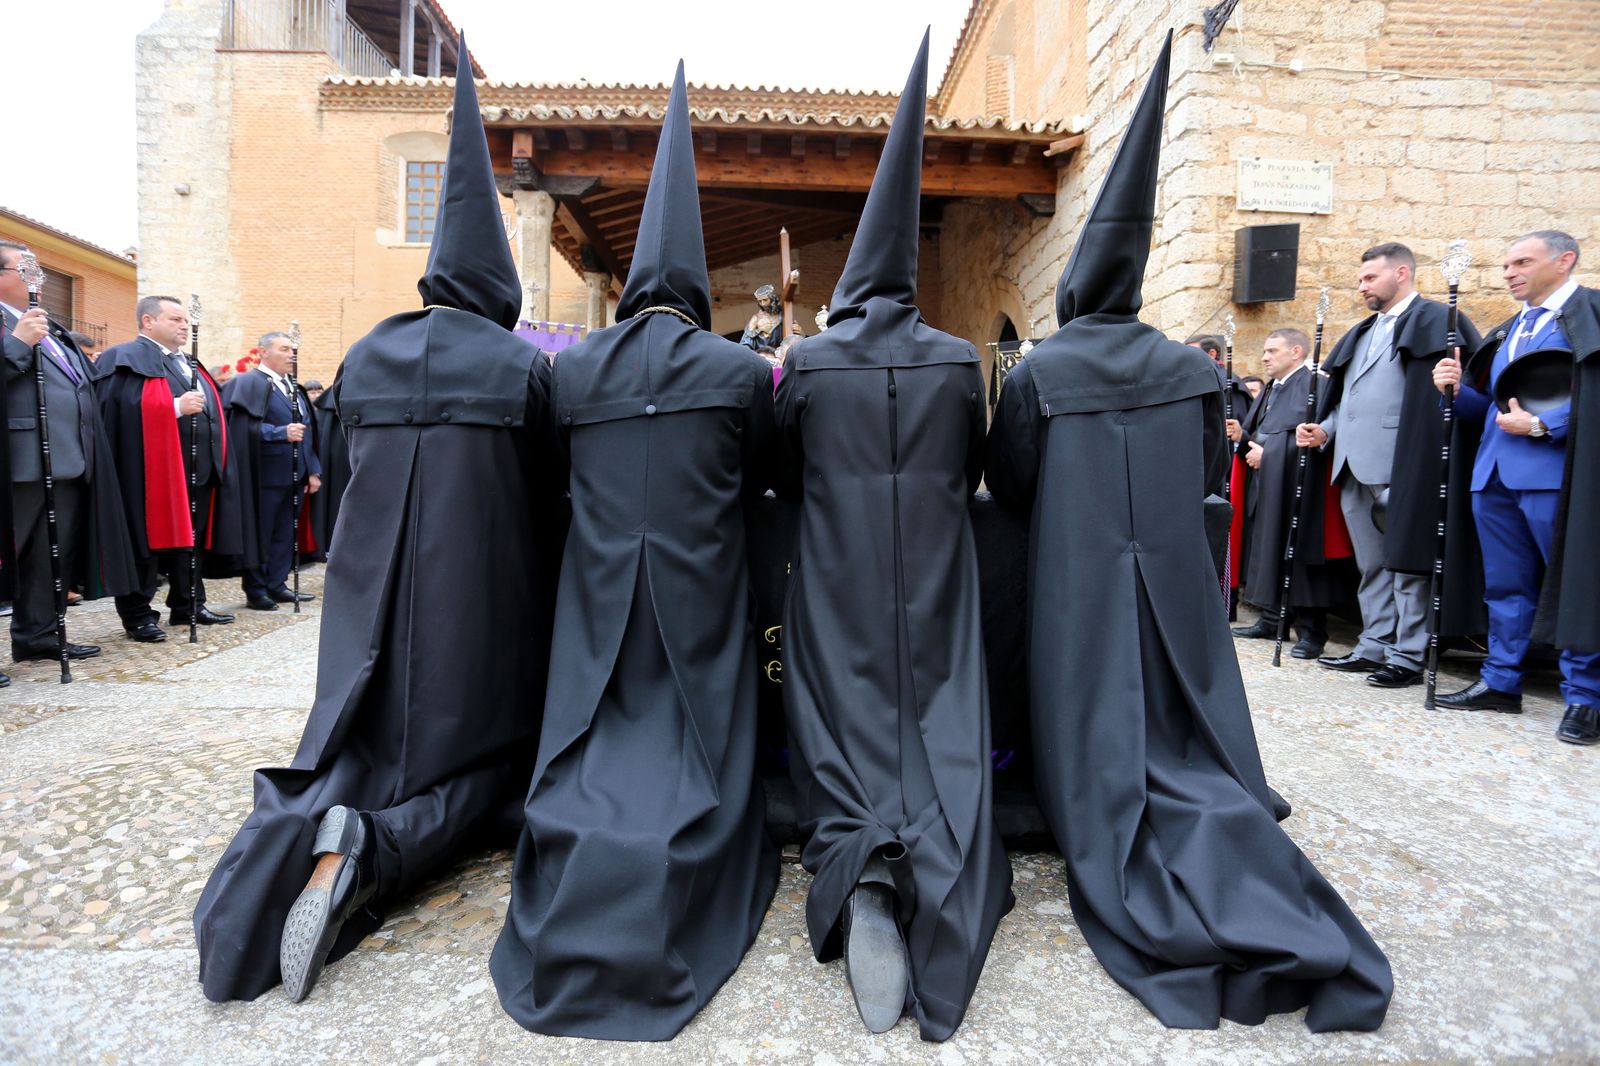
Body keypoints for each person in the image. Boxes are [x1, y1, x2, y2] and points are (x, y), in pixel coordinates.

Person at [984, 33, 1392, 1032]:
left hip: (1074, 568)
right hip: (1168, 571)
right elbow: (1211, 478)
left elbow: (1011, 476)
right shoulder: (1191, 371)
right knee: (1173, 711)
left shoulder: (1041, 371)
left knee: (1087, 698)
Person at [193, 38, 560, 1003]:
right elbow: (547, 488)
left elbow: (344, 469)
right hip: (477, 592)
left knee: (358, 737)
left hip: (367, 603)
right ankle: (374, 845)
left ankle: (334, 817)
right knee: (488, 765)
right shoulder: (519, 365)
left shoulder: (366, 353)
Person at [491, 64, 779, 1041]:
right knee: (694, 744)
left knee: (594, 742)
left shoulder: (571, 371)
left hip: (601, 585)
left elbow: (551, 475)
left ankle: (588, 859)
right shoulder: (739, 370)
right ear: (697, 280)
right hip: (700, 586)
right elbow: (765, 473)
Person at [773, 33, 1012, 1040]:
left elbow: (781, 465)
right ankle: (924, 849)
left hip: (832, 568)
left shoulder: (809, 361)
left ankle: (858, 862)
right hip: (935, 569)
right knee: (936, 722)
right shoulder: (958, 360)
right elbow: (973, 463)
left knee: (840, 721)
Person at [1433, 230, 1600, 745]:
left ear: (1564, 260)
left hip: (1555, 474)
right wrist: (1458, 392)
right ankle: (1501, 682)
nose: (1508, 272)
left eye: (1522, 262)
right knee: (1505, 587)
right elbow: (1496, 413)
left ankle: (1584, 698)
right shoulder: (1511, 328)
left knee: (1574, 582)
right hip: (1494, 475)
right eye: (1506, 265)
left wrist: (1545, 426)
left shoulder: (1590, 314)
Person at [1296, 243, 1484, 687]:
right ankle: (1375, 642)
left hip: (1404, 461)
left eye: (1369, 278)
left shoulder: (1439, 321)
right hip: (1351, 462)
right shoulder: (1362, 331)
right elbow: (1347, 398)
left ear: (1401, 272)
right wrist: (1326, 429)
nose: (1362, 287)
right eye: (1361, 279)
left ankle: (1409, 652)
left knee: (1407, 561)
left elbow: (1443, 392)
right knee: (1372, 563)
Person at [2, 241, 137, 664]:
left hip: (66, 460)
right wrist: (17, 345)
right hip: (19, 460)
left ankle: (39, 636)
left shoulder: (47, 325)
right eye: (25, 268)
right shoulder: (21, 329)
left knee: (49, 557)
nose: (35, 276)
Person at [96, 295, 240, 639]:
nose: (183, 325)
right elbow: (115, 410)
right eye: (175, 319)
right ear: (148, 321)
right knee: (144, 542)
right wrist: (174, 407)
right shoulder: (124, 357)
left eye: (185, 321)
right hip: (147, 472)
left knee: (190, 541)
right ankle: (138, 614)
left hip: (199, 471)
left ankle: (188, 603)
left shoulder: (189, 363)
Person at [1230, 327, 1352, 658]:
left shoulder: (1316, 383)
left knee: (1298, 554)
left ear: (1296, 352)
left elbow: (1309, 436)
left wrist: (1265, 451)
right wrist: (1244, 438)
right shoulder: (1274, 388)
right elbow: (1264, 433)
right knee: (1270, 549)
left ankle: (1312, 631)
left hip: (1301, 487)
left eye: (1272, 351)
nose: (1265, 357)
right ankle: (1273, 618)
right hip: (1269, 484)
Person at [220, 331, 321, 611]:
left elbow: (308, 433)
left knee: (286, 533)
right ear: (263, 352)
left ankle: (277, 584)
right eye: (284, 349)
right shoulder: (247, 384)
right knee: (261, 533)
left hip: (295, 474)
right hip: (263, 475)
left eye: (292, 349)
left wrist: (312, 470)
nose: (291, 354)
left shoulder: (293, 387)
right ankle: (256, 589)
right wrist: (279, 432)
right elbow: (237, 430)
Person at [739, 283, 783, 352]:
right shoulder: (756, 318)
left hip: (779, 354)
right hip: (761, 354)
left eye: (765, 300)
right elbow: (746, 341)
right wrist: (759, 331)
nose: (763, 304)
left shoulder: (783, 316)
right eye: (760, 301)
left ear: (772, 299)